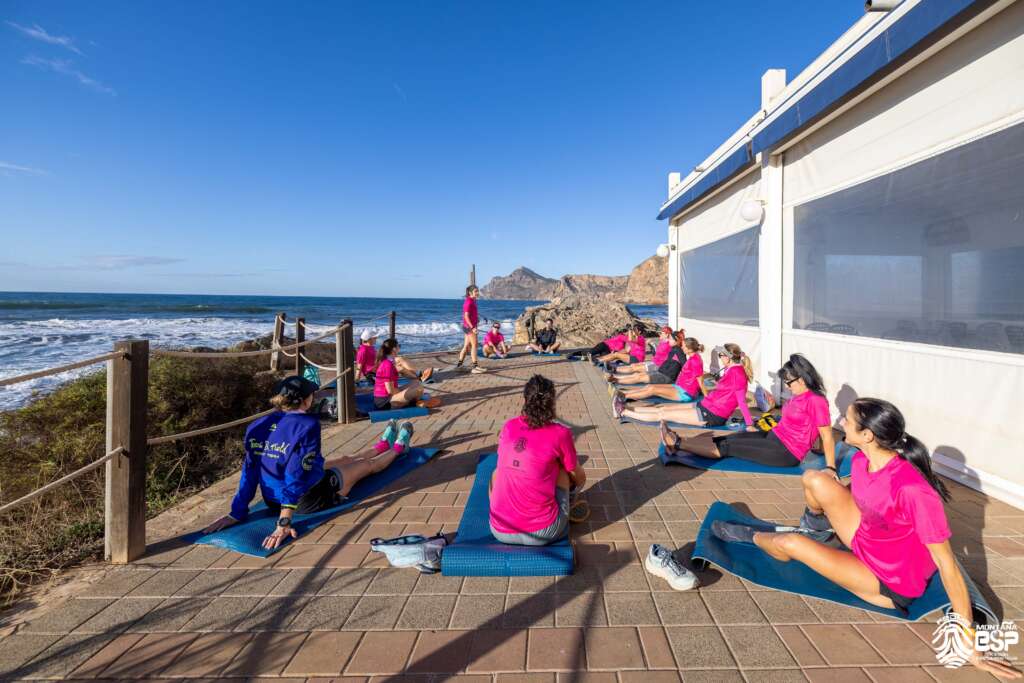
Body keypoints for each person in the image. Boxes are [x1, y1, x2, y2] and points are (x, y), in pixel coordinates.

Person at [710, 398, 1021, 680]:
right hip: (864, 540)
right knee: (814, 479)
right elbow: (866, 496)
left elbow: (947, 565)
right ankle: (814, 529)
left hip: (888, 581)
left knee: (789, 543)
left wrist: (970, 643)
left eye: (847, 419)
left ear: (868, 435)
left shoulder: (913, 490)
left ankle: (754, 536)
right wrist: (832, 494)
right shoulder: (861, 460)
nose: (841, 422)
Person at [202, 376, 416, 549]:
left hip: (272, 499)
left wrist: (237, 511)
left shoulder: (257, 425)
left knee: (344, 459)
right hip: (307, 498)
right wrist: (284, 522)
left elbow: (249, 472)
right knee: (367, 467)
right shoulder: (307, 425)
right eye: (312, 395)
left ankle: (380, 447)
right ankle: (398, 448)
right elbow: (295, 474)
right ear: (305, 400)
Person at [660, 354, 835, 468]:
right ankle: (682, 441)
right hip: (773, 435)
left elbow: (826, 434)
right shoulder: (798, 395)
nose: (787, 387)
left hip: (786, 452)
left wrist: (830, 467)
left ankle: (677, 444)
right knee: (727, 438)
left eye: (788, 383)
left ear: (802, 379)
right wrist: (818, 448)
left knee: (728, 447)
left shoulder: (816, 400)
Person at [489, 374, 587, 546]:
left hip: (499, 530)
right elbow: (578, 476)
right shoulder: (560, 433)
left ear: (525, 400)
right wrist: (575, 487)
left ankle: (506, 511)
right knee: (562, 470)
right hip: (542, 533)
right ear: (552, 403)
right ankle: (567, 505)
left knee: (497, 472)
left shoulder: (509, 426)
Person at [615, 343, 754, 428]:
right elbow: (722, 391)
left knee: (663, 414)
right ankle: (626, 407)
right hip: (706, 406)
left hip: (712, 415)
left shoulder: (737, 374)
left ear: (727, 357)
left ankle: (623, 412)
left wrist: (749, 424)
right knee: (663, 408)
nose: (720, 358)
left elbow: (741, 401)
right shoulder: (731, 370)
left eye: (720, 356)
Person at [612, 335, 702, 404]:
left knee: (651, 389)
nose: (682, 347)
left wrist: (703, 395)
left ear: (689, 349)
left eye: (684, 346)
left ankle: (624, 396)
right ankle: (624, 393)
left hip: (684, 391)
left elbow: (699, 379)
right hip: (679, 385)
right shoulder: (691, 358)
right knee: (649, 386)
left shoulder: (694, 360)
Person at [375, 338, 440, 410]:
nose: (399, 348)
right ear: (394, 349)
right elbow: (390, 391)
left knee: (417, 383)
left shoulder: (389, 362)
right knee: (418, 389)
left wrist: (403, 372)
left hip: (390, 396)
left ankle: (414, 401)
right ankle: (415, 402)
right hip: (385, 402)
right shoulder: (387, 365)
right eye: (399, 346)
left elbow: (410, 378)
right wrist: (405, 392)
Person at [608, 328, 679, 386]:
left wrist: (652, 345)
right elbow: (656, 353)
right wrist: (652, 345)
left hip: (657, 365)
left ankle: (616, 376)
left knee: (636, 372)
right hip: (654, 362)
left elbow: (672, 354)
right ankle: (616, 374)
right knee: (634, 368)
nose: (660, 334)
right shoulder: (662, 342)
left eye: (662, 333)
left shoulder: (669, 345)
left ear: (667, 334)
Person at [455, 285, 485, 374]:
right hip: (469, 327)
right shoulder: (468, 302)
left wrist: (476, 318)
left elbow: (471, 313)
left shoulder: (473, 301)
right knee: (474, 345)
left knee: (466, 346)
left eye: (477, 291)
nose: (477, 293)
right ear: (470, 292)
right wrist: (473, 327)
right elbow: (466, 316)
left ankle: (459, 365)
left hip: (468, 326)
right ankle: (475, 367)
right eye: (475, 291)